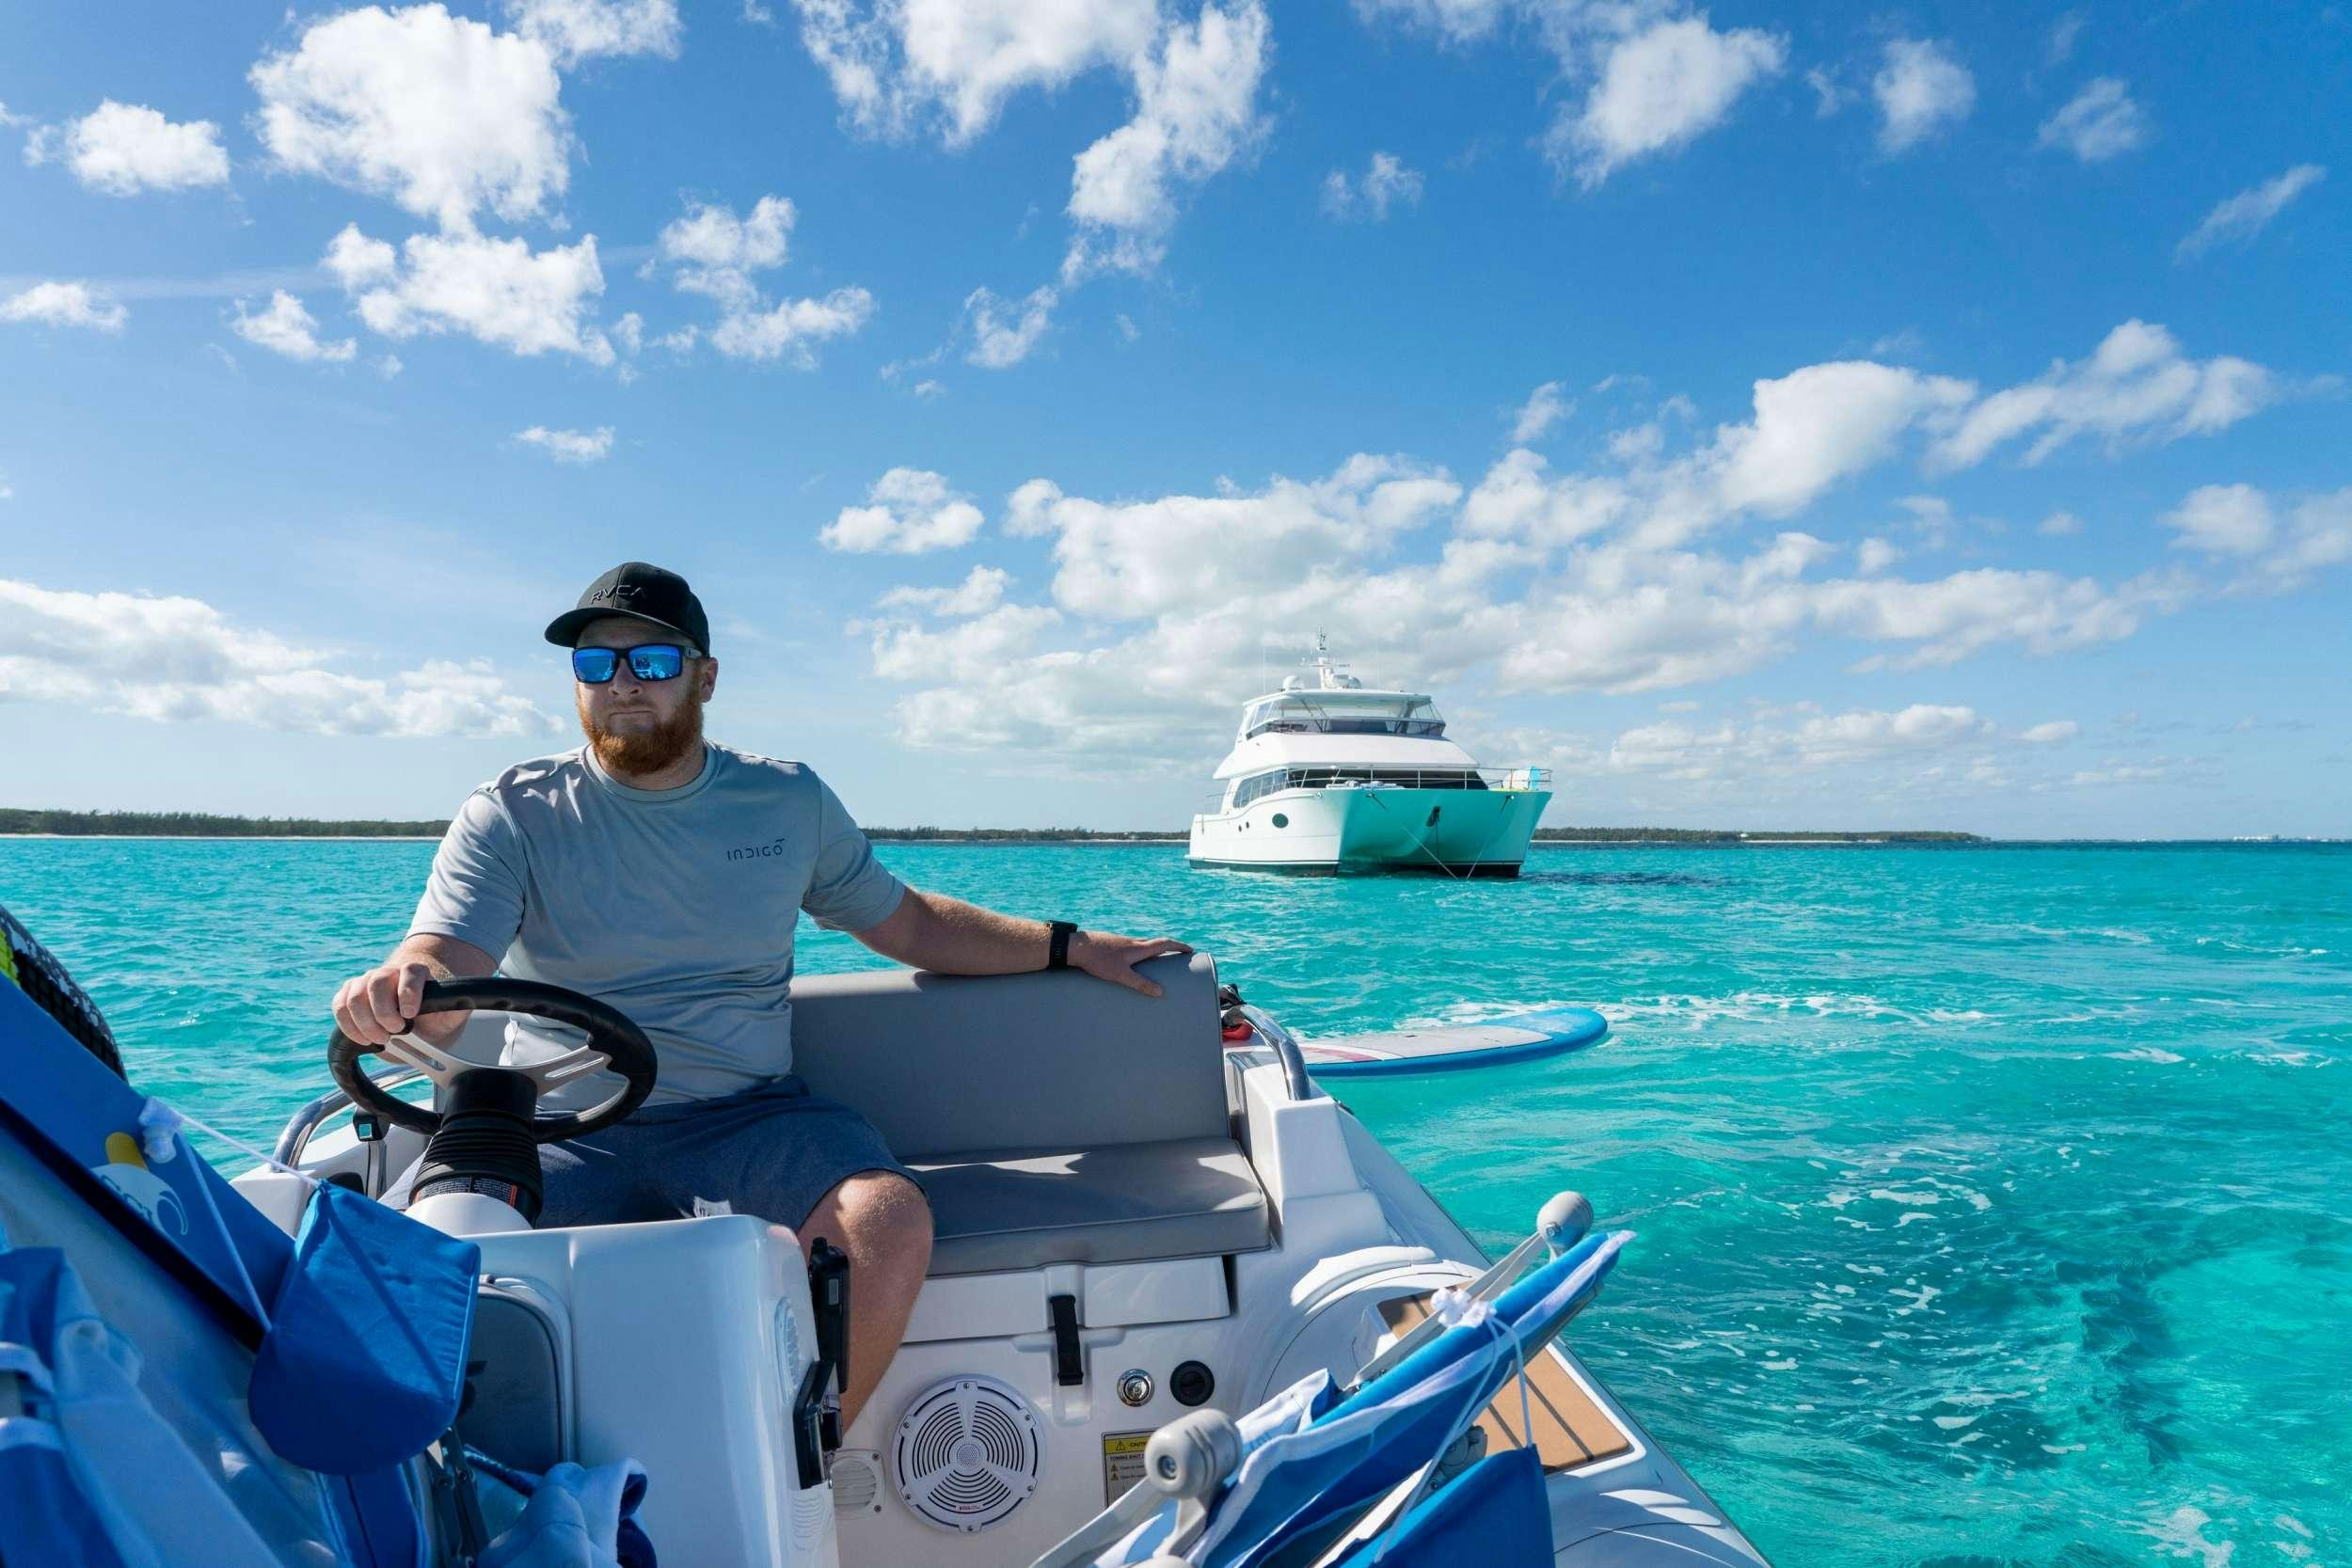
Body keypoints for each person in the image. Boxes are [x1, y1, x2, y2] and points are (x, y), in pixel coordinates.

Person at [330, 561, 1191, 1424]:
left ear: (705, 677)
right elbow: (446, 960)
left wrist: (1069, 946)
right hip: (561, 1129)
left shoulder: (786, 800)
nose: (622, 683)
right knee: (409, 1267)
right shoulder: (512, 812)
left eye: (652, 661)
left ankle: (802, 1465)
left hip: (748, 1117)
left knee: (886, 1221)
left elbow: (910, 924)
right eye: (596, 664)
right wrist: (407, 989)